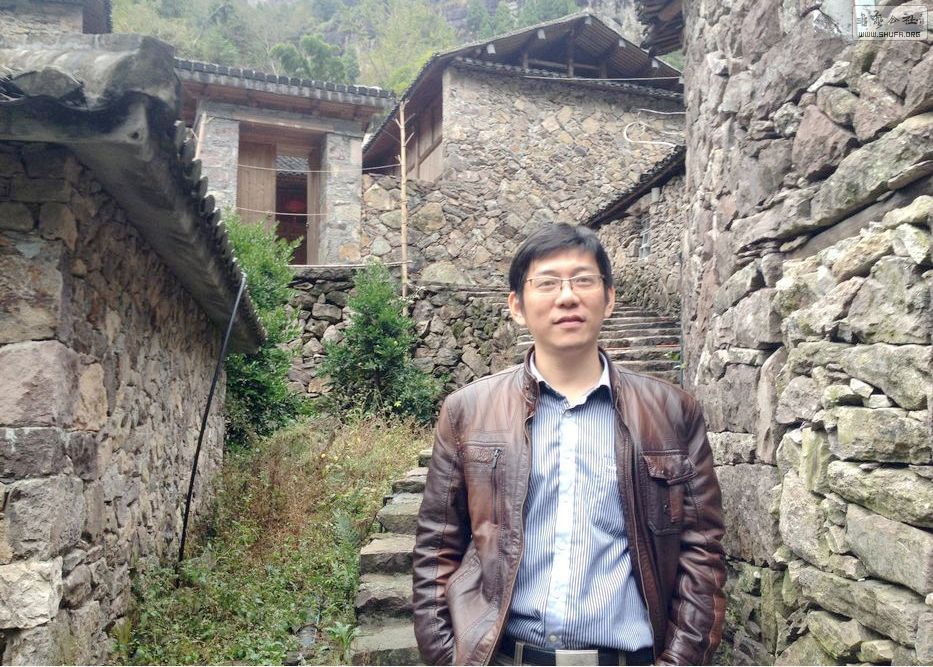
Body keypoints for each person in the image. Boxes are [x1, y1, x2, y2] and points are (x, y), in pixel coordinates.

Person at [412, 223, 726, 666]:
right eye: (547, 283)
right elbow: (436, 550)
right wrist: (448, 659)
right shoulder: (468, 411)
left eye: (582, 280)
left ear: (609, 298)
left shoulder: (672, 413)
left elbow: (702, 552)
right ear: (517, 306)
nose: (567, 297)